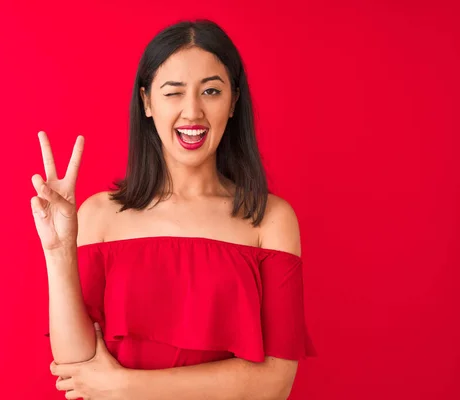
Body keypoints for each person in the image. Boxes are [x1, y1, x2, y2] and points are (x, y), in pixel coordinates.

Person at [31, 19, 316, 400]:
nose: (192, 112)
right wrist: (58, 251)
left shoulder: (270, 219)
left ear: (233, 102)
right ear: (147, 102)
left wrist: (127, 388)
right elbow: (75, 368)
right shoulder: (98, 215)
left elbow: (276, 382)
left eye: (211, 91)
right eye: (173, 93)